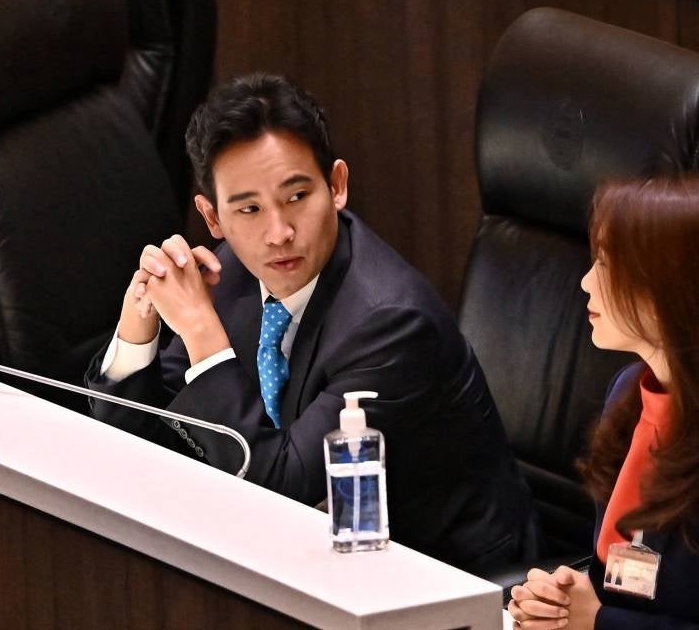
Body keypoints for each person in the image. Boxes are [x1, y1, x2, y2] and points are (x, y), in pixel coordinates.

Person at [86, 73, 538, 575]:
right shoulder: (234, 271)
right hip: (315, 566)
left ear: (337, 185)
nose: (278, 233)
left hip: (437, 580)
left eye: (297, 197)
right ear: (213, 219)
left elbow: (281, 495)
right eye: (250, 209)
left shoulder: (391, 324)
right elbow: (151, 440)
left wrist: (201, 333)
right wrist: (137, 330)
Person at [508, 175, 699, 628]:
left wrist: (599, 622)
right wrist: (562, 599)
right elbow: (623, 574)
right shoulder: (629, 392)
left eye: (609, 266)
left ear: (670, 288)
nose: (586, 282)